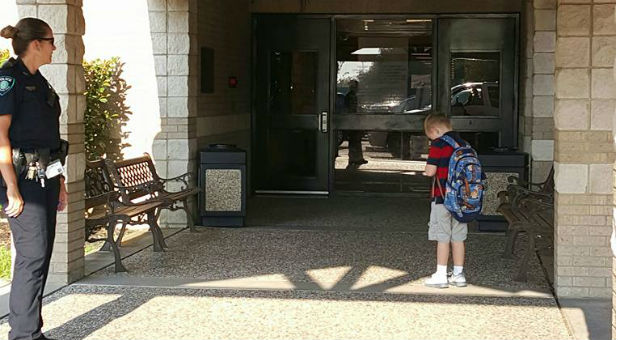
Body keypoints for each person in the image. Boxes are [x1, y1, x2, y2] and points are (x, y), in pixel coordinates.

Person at [0, 18, 68, 340]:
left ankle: (32, 331)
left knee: (40, 256)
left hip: (45, 178)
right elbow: (1, 138)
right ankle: (23, 335)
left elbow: (49, 139)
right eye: (52, 40)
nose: (56, 47)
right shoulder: (8, 80)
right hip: (23, 181)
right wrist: (12, 189)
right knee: (32, 257)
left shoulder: (39, 82)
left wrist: (61, 183)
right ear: (36, 44)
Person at [422, 113, 468, 288]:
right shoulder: (464, 144)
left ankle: (441, 274)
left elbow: (430, 171)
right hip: (462, 200)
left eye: (430, 136)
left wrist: (425, 171)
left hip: (443, 198)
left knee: (443, 236)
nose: (431, 139)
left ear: (435, 130)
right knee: (458, 237)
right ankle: (458, 274)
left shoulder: (438, 144)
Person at [344, 80, 367, 169]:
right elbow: (350, 109)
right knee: (354, 140)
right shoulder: (350, 96)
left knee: (356, 140)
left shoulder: (352, 96)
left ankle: (357, 158)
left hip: (354, 121)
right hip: (352, 121)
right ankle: (353, 159)